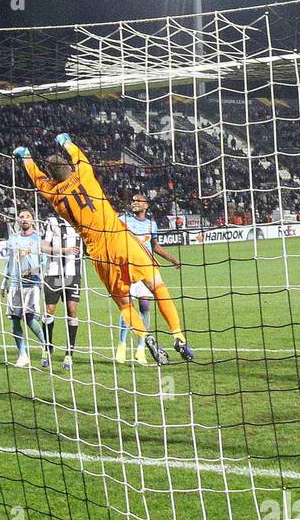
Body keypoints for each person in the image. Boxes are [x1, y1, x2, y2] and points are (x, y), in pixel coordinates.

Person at [15, 133, 193, 365]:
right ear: (69, 167)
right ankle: (178, 336)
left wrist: (26, 157)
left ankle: (146, 336)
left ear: (52, 177)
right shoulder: (85, 174)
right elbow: (78, 155)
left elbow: (37, 179)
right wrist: (66, 142)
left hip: (99, 254)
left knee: (124, 304)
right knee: (157, 285)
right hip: (121, 240)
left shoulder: (55, 196)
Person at [116, 194, 183, 364]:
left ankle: (141, 349)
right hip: (128, 269)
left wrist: (172, 259)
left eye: (137, 201)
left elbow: (155, 247)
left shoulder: (151, 224)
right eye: (133, 200)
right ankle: (122, 346)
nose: (134, 203)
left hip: (145, 271)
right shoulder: (124, 220)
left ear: (145, 205)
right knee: (126, 306)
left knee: (145, 307)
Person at [2, 209, 56, 368]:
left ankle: (45, 345)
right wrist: (4, 282)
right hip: (15, 284)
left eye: (27, 217)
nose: (24, 219)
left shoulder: (38, 239)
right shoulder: (13, 239)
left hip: (32, 284)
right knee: (14, 319)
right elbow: (10, 261)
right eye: (21, 217)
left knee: (29, 318)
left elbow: (45, 262)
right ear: (18, 220)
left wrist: (32, 272)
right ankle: (23, 355)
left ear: (33, 220)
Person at [41, 211, 83, 370]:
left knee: (72, 310)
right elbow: (44, 246)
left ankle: (69, 353)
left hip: (73, 274)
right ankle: (47, 347)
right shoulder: (51, 221)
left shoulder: (80, 221)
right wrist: (64, 251)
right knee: (49, 310)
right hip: (54, 273)